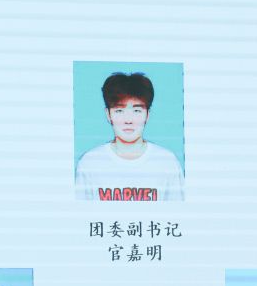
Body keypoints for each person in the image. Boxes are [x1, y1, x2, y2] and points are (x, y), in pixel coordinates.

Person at [75, 72, 184, 202]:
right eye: (119, 111)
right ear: (108, 114)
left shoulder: (167, 162)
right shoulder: (90, 163)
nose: (128, 120)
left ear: (147, 115)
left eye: (137, 111)